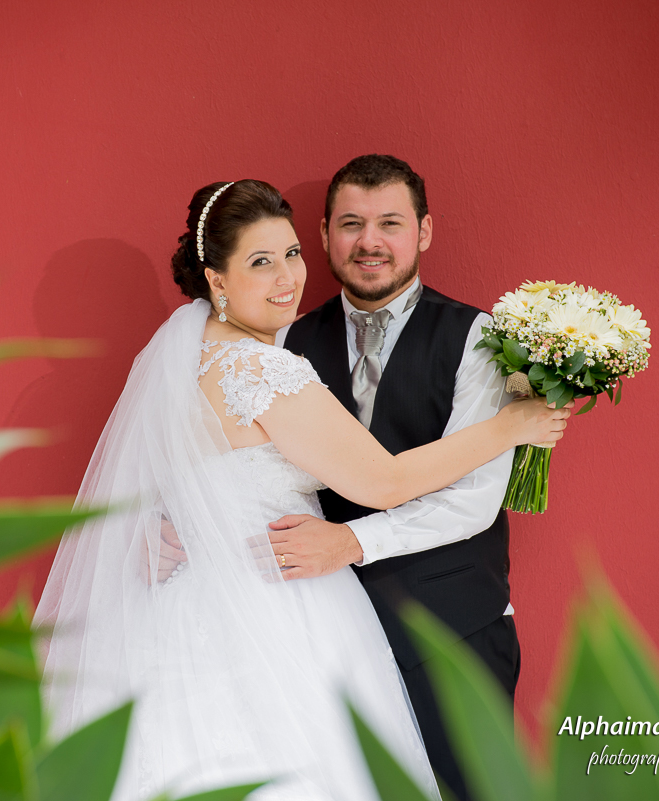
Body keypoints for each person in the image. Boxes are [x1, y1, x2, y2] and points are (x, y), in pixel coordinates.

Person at [33, 179, 569, 801]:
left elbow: (171, 477)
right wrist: (510, 426)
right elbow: (383, 481)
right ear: (217, 280)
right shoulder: (261, 367)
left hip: (184, 608)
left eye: (290, 254)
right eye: (261, 262)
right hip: (276, 605)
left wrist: (153, 526)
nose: (287, 276)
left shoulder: (179, 362)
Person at [272, 154, 553, 801]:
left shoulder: (480, 339)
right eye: (351, 224)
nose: (369, 241)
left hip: (454, 627)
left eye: (390, 223)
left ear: (424, 231)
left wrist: (351, 541)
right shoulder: (286, 342)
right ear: (324, 234)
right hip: (324, 631)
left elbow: (473, 501)